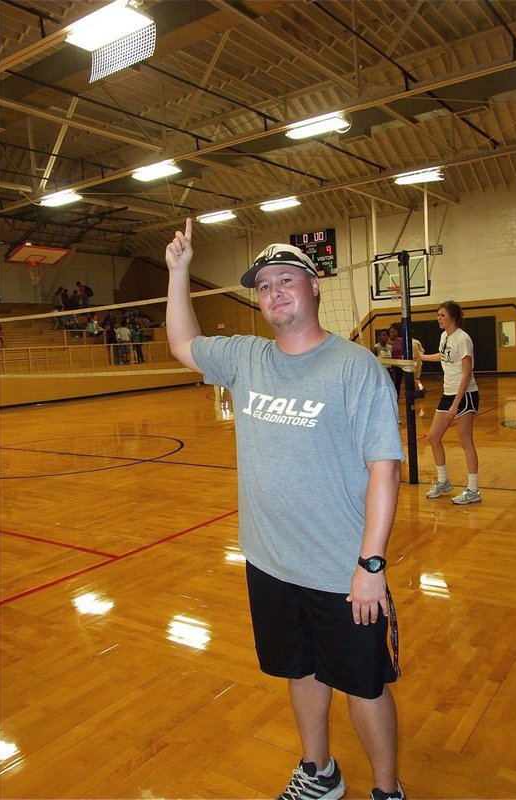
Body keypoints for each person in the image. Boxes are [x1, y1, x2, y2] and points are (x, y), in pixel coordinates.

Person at [165, 220, 406, 800]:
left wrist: (370, 566)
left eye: (287, 280)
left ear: (314, 287)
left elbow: (385, 466)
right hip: (270, 562)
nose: (274, 292)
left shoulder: (354, 368)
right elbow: (181, 345)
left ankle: (387, 790)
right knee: (299, 669)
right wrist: (177, 273)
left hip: (341, 572)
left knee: (364, 685)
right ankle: (319, 772)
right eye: (265, 284)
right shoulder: (246, 358)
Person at [419, 301, 481, 505]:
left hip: (464, 394)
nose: (438, 318)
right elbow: (444, 357)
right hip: (448, 393)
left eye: (442, 315)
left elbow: (467, 372)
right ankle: (444, 481)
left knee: (465, 442)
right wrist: (423, 357)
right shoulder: (445, 336)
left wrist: (456, 404)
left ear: (453, 317)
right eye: (438, 315)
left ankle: (473, 490)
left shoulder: (463, 339)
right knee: (434, 437)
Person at [388, 323, 403, 400]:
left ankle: (396, 403)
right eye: (390, 332)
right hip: (389, 367)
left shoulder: (401, 341)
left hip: (398, 366)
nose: (392, 333)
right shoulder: (386, 342)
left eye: (393, 331)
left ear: (397, 332)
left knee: (397, 385)